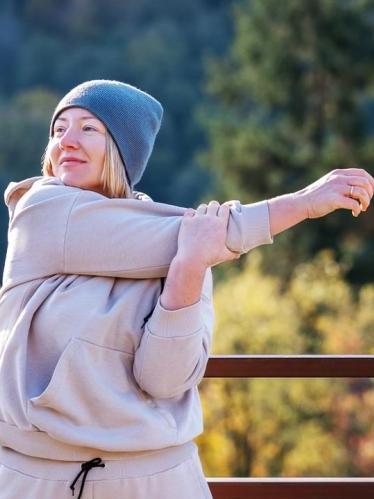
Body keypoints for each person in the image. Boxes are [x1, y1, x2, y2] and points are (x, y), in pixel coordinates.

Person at [0, 79, 372, 499]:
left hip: (158, 481)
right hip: (38, 481)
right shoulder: (41, 209)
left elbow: (163, 381)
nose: (66, 140)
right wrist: (303, 203)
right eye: (58, 129)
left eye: (89, 128)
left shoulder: (189, 247)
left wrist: (189, 269)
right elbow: (211, 232)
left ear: (123, 150)